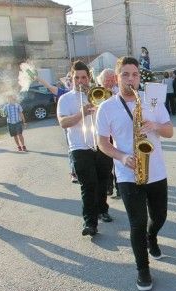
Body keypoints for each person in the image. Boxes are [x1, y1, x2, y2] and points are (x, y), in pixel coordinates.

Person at [97, 56, 173, 291]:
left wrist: (155, 126)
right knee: (137, 223)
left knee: (159, 217)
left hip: (156, 171)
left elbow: (169, 131)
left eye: (135, 75)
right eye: (126, 75)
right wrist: (121, 157)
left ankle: (153, 237)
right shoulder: (106, 107)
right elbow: (102, 142)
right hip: (128, 174)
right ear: (117, 78)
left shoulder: (151, 101)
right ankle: (143, 269)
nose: (131, 79)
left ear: (140, 77)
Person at [57, 60, 114, 237]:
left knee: (103, 180)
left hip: (101, 145)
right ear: (71, 78)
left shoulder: (99, 94)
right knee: (88, 184)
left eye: (83, 77)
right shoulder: (65, 99)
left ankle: (102, 209)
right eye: (77, 78)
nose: (80, 81)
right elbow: (63, 122)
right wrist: (80, 113)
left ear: (88, 78)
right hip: (79, 147)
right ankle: (90, 223)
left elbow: (110, 118)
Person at [34, 74, 77, 182]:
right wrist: (39, 78)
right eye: (69, 81)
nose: (71, 83)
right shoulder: (64, 93)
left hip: (84, 128)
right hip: (69, 128)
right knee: (72, 149)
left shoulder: (85, 92)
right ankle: (74, 172)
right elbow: (49, 86)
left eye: (71, 80)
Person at [96, 68, 120, 198]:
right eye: (107, 80)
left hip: (116, 132)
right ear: (101, 81)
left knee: (118, 160)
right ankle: (108, 187)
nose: (110, 82)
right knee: (105, 162)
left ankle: (120, 187)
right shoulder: (97, 92)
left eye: (112, 79)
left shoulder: (119, 91)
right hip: (104, 133)